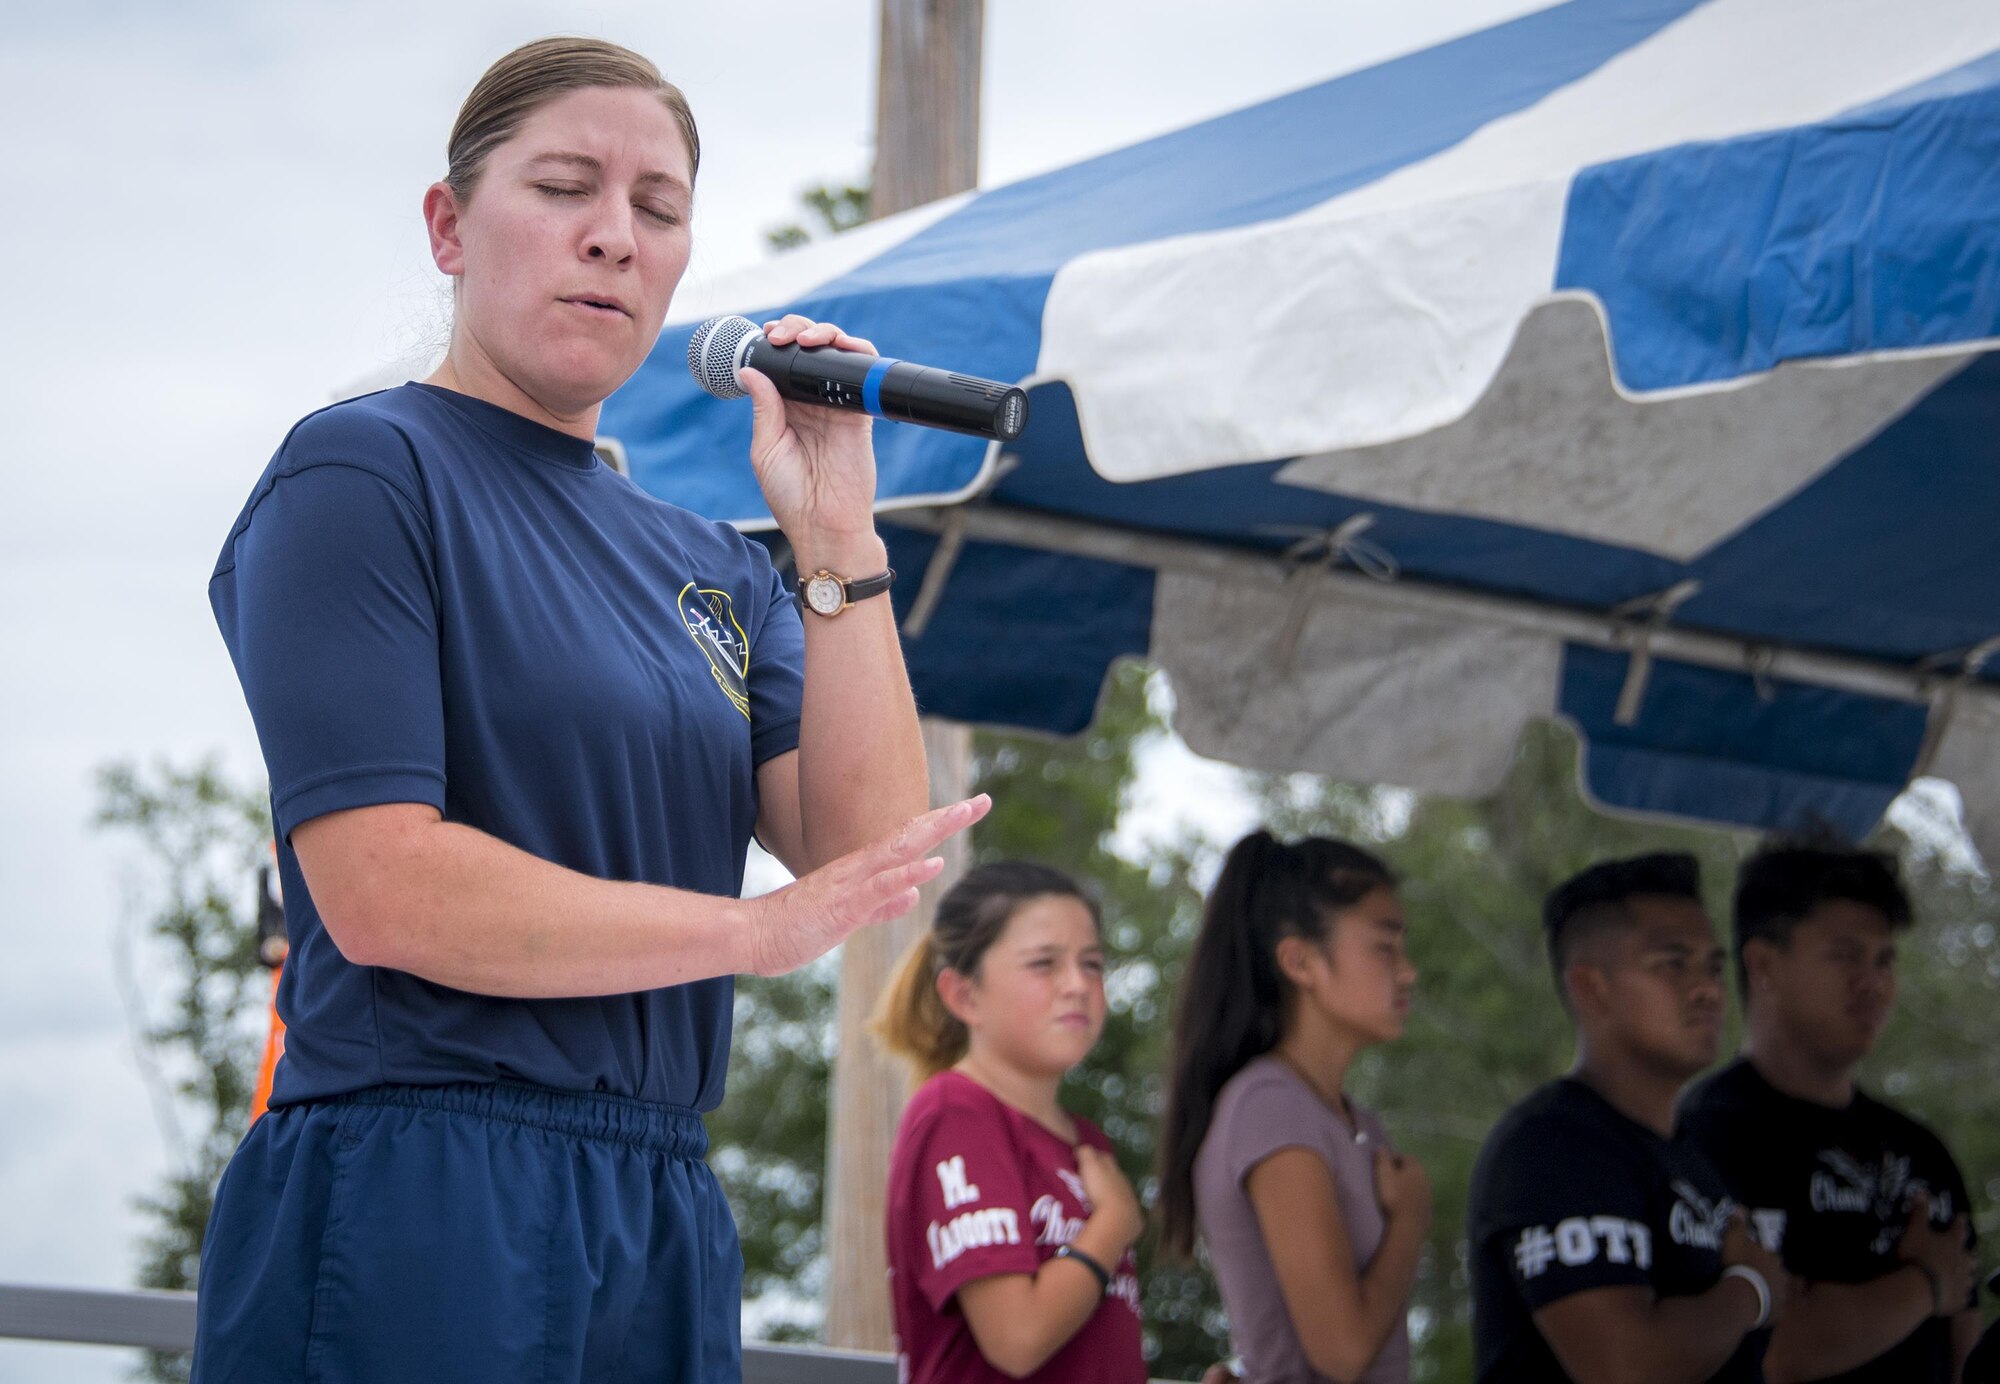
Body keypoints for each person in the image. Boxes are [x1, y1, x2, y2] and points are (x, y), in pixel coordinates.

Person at [196, 36, 986, 1383]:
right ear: (449, 225)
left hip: (660, 1201)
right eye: (565, 188)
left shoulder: (715, 557)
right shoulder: (365, 472)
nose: (614, 238)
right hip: (424, 1186)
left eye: (659, 208)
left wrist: (837, 537)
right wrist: (743, 933)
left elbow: (867, 853)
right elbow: (387, 888)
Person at [1468, 853, 1790, 1383]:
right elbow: (1625, 1368)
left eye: (1713, 965)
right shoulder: (1553, 1146)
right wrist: (1750, 1291)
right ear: (1591, 987)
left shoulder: (1692, 1158)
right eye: (1672, 963)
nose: (1709, 988)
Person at [1679, 840, 1981, 1383]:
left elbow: (1965, 1346)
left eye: (1884, 959)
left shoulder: (1921, 1152)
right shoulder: (1704, 1137)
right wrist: (1924, 1285)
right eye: (1845, 955)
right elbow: (1767, 1351)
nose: (1874, 982)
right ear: (1763, 963)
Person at [1155, 830, 1425, 1384]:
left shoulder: (1354, 1121)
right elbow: (1342, 1351)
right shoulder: (1270, 1108)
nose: (1407, 971)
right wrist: (1411, 1220)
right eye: (1385, 945)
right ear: (1300, 961)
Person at [872, 861, 1147, 1384]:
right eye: (1044, 964)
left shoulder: (1087, 1143)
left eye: (1092, 964)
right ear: (963, 995)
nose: (1077, 984)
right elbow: (1016, 1339)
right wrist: (1112, 1222)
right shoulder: (955, 1112)